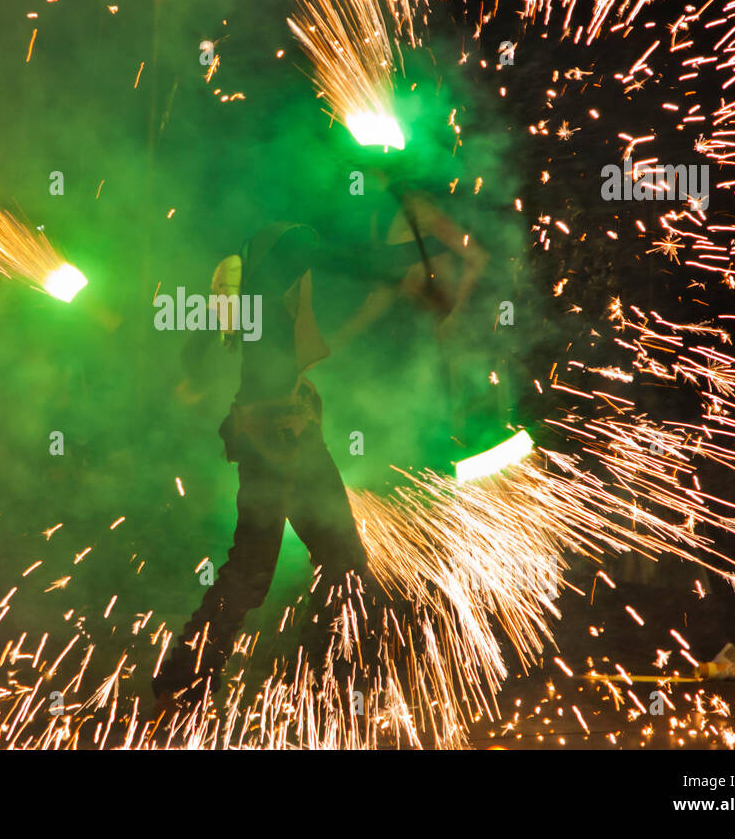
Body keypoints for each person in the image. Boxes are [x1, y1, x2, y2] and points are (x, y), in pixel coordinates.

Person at [153, 185, 487, 714]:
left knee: (277, 568)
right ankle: (328, 690)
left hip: (276, 428)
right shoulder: (290, 243)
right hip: (281, 435)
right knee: (328, 564)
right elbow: (355, 259)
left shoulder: (253, 251)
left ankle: (188, 685)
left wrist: (193, 371)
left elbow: (210, 335)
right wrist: (422, 260)